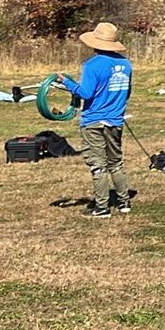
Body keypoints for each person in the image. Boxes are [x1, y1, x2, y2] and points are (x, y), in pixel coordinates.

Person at [59, 21, 133, 218]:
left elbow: (86, 93)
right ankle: (124, 201)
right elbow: (127, 93)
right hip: (115, 120)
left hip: (94, 121)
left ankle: (102, 207)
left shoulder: (92, 65)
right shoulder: (125, 64)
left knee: (98, 165)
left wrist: (67, 83)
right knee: (115, 162)